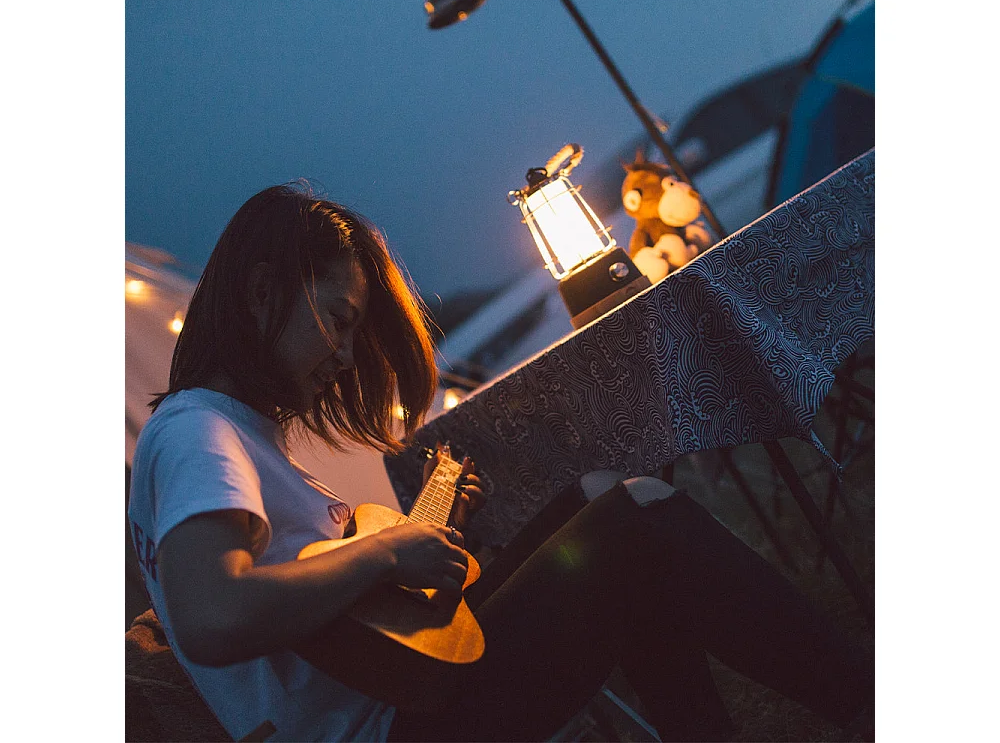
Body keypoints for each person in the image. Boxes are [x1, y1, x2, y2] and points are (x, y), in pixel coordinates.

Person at [127, 182, 873, 742]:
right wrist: (385, 551)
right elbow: (214, 617)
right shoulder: (198, 430)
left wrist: (428, 538)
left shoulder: (228, 433)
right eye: (340, 320)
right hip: (394, 727)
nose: (347, 357)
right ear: (263, 293)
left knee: (601, 494)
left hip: (404, 698)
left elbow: (350, 622)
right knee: (639, 523)